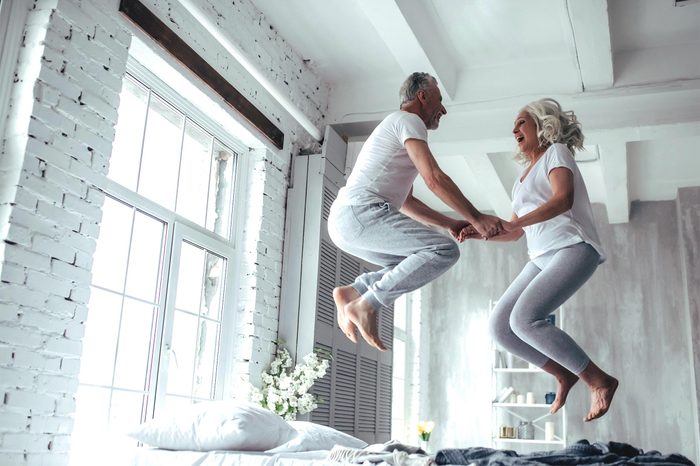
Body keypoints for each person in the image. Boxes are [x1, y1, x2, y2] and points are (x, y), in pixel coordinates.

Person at [461, 98, 618, 422]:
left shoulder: (556, 152)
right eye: (514, 125)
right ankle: (563, 373)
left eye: (521, 122)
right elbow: (515, 232)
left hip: (573, 247)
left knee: (524, 319)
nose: (514, 129)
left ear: (541, 124)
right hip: (540, 256)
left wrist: (514, 223)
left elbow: (563, 199)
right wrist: (479, 232)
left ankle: (598, 380)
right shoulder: (521, 179)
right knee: (500, 327)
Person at [328, 72, 502, 351]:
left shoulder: (396, 128)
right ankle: (367, 304)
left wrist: (449, 223)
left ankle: (355, 292)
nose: (443, 110)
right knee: (444, 251)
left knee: (412, 262)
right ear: (423, 96)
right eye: (440, 101)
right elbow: (434, 178)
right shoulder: (408, 121)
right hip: (360, 213)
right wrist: (476, 218)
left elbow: (407, 201)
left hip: (347, 220)